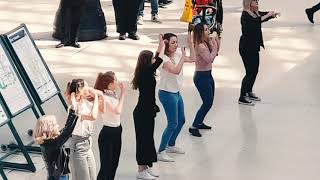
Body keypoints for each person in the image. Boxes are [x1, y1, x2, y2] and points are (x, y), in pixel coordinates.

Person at [157, 32, 196, 162]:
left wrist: (191, 44)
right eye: (173, 42)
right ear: (166, 44)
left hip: (176, 92)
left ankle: (171, 144)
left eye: (177, 42)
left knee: (182, 120)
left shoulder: (178, 54)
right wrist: (183, 59)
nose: (176, 45)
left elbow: (193, 59)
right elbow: (175, 70)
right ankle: (161, 151)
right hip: (167, 93)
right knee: (172, 123)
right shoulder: (164, 59)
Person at [131, 35, 165, 179]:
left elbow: (157, 58)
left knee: (147, 139)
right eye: (151, 59)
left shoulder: (145, 71)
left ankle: (146, 167)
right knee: (143, 140)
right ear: (147, 62)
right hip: (143, 113)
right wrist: (162, 45)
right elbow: (159, 60)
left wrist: (160, 45)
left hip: (146, 111)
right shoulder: (145, 73)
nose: (153, 61)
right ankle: (141, 171)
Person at [238, 0, 280, 105]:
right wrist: (267, 15)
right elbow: (255, 22)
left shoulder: (254, 13)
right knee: (250, 72)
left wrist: (272, 14)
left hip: (254, 47)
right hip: (246, 48)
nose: (257, 4)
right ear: (249, 4)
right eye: (255, 2)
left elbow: (262, 15)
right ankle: (242, 96)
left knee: (255, 70)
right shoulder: (245, 15)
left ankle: (248, 91)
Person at [65, 79, 104, 180]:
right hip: (78, 146)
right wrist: (95, 98)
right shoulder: (74, 108)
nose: (89, 88)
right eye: (86, 86)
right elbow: (93, 116)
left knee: (92, 177)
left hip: (87, 143)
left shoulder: (86, 103)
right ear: (80, 91)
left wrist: (100, 96)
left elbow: (102, 108)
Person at [94, 71, 128, 180]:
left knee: (114, 164)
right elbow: (117, 110)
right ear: (109, 84)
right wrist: (123, 92)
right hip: (108, 132)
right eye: (115, 80)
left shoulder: (112, 94)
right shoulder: (104, 97)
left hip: (117, 130)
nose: (117, 82)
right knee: (106, 166)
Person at [188, 23, 220, 137]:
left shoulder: (205, 43)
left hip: (207, 75)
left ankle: (199, 122)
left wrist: (216, 41)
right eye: (206, 30)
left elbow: (215, 54)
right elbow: (210, 59)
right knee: (207, 102)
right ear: (201, 33)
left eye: (208, 29)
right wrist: (215, 44)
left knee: (209, 102)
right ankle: (194, 126)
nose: (208, 31)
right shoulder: (201, 46)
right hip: (201, 77)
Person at [34, 105, 79, 180]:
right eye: (55, 124)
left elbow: (65, 129)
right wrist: (75, 114)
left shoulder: (48, 141)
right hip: (59, 177)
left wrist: (72, 112)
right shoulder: (51, 143)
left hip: (58, 176)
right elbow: (67, 132)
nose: (58, 126)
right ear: (49, 129)